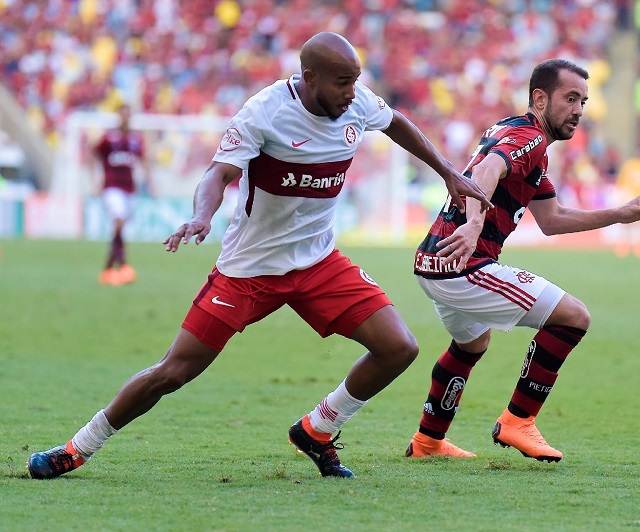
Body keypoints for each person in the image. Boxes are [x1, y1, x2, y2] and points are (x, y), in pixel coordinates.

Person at [27, 32, 492, 480]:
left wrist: (449, 173)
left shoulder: (359, 101)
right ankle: (77, 448)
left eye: (355, 80)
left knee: (398, 348)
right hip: (249, 270)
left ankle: (318, 429)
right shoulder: (265, 113)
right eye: (342, 82)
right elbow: (217, 174)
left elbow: (396, 124)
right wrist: (201, 216)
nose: (353, 92)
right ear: (309, 77)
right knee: (174, 371)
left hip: (318, 262)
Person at [404, 59, 640, 460]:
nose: (579, 110)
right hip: (463, 261)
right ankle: (518, 421)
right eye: (570, 98)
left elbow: (552, 219)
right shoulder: (530, 138)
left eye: (583, 100)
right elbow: (490, 168)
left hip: (437, 258)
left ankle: (427, 441)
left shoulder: (524, 141)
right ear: (540, 99)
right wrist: (475, 224)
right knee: (574, 317)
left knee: (471, 343)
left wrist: (619, 213)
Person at [92, 104, 152, 286]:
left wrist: (150, 183)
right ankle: (123, 264)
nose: (125, 118)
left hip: (129, 188)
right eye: (122, 115)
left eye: (128, 115)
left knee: (121, 227)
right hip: (112, 187)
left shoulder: (136, 139)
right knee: (118, 221)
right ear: (118, 117)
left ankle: (109, 267)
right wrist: (95, 179)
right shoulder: (109, 138)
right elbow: (94, 155)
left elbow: (143, 160)